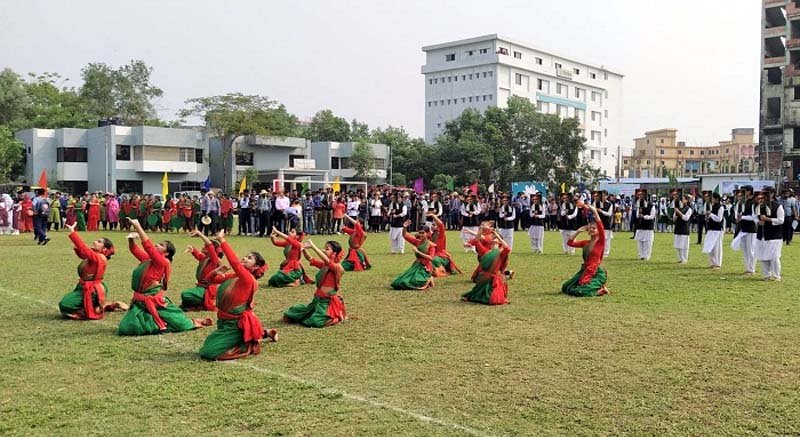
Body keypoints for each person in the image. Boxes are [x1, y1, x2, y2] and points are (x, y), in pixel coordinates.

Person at [118, 218, 210, 335]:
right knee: (126, 328)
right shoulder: (148, 258)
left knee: (180, 323)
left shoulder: (162, 261)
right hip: (140, 301)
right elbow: (134, 249)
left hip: (154, 300)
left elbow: (148, 247)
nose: (157, 245)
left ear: (166, 253)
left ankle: (182, 322)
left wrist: (138, 226)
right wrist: (131, 239)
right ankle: (153, 321)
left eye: (161, 245)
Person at [199, 230, 276, 360]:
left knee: (208, 352)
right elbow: (209, 280)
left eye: (249, 258)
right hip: (223, 322)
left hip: (235, 325)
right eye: (245, 256)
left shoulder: (248, 279)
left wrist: (222, 241)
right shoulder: (235, 276)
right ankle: (263, 332)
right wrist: (215, 272)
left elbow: (235, 263)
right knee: (208, 345)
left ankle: (249, 340)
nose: (244, 258)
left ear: (256, 266)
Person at [58, 222, 122, 319]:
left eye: (99, 242)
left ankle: (91, 308)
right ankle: (96, 306)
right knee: (66, 304)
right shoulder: (94, 255)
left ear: (104, 249)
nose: (95, 242)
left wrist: (72, 232)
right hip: (83, 287)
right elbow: (82, 254)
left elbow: (84, 250)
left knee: (64, 305)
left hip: (92, 290)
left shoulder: (100, 257)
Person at [283, 240, 347, 328]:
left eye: (327, 249)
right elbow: (310, 259)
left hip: (326, 302)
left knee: (315, 321)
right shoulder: (325, 265)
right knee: (292, 312)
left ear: (334, 253)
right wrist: (304, 249)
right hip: (317, 300)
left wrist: (312, 246)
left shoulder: (337, 268)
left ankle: (333, 318)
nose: (324, 250)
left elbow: (327, 261)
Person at [561, 204, 609, 297]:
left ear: (598, 231)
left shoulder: (600, 242)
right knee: (565, 287)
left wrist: (594, 211)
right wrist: (578, 231)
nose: (591, 229)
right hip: (585, 270)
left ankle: (601, 290)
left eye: (594, 228)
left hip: (596, 272)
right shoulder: (585, 243)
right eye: (590, 228)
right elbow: (570, 243)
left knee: (581, 292)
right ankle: (596, 288)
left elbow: (600, 226)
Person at [461, 230, 511, 305]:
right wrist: (481, 229)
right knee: (476, 295)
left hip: (494, 279)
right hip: (484, 278)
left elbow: (507, 248)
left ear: (499, 242)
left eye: (495, 238)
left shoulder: (501, 253)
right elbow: (477, 241)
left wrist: (498, 236)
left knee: (494, 300)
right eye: (493, 238)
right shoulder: (485, 251)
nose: (493, 239)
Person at [180, 230, 225, 311]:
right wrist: (192, 250)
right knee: (186, 295)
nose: (203, 247)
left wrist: (199, 233)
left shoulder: (214, 260)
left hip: (207, 289)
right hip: (200, 287)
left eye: (205, 246)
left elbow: (210, 245)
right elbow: (198, 255)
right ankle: (198, 302)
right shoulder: (206, 258)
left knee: (185, 294)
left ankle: (201, 302)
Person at [390, 220, 436, 290]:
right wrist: (404, 227)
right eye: (419, 233)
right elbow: (405, 235)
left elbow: (431, 258)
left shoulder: (431, 245)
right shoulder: (417, 242)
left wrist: (417, 252)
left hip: (425, 267)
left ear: (427, 233)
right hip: (416, 266)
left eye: (423, 233)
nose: (421, 234)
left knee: (415, 281)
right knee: (399, 282)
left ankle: (429, 278)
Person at [754, 188, 784, 281]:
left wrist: (768, 219)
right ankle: (766, 275)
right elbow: (755, 217)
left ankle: (776, 276)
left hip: (774, 235)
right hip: (762, 234)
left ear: (772, 194)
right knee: (763, 256)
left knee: (774, 257)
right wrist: (758, 222)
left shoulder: (777, 206)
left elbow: (781, 220)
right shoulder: (759, 206)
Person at [732, 186, 757, 275]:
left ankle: (751, 269)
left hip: (751, 229)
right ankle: (747, 268)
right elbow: (737, 213)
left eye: (744, 191)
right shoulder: (742, 202)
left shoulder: (754, 202)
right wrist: (738, 217)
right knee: (745, 250)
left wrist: (742, 217)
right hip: (743, 228)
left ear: (749, 192)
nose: (742, 193)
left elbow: (754, 217)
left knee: (751, 250)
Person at [429, 212, 461, 276]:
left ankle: (441, 271)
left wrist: (433, 216)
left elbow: (441, 225)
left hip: (441, 256)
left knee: (434, 260)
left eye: (434, 225)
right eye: (432, 225)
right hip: (433, 254)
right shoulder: (431, 234)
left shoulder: (441, 234)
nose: (432, 226)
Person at [702, 193, 725, 269]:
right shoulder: (712, 206)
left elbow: (719, 219)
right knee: (710, 246)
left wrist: (711, 214)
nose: (712, 200)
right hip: (711, 228)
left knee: (717, 247)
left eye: (713, 198)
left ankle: (718, 263)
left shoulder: (720, 207)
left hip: (717, 229)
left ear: (717, 199)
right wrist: (707, 217)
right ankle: (712, 262)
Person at [633, 189, 656, 261]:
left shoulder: (651, 205)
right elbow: (637, 215)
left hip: (648, 226)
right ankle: (641, 255)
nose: (640, 197)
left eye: (641, 195)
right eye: (639, 195)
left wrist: (644, 216)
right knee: (640, 242)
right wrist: (639, 214)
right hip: (640, 226)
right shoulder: (639, 205)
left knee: (648, 242)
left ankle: (646, 256)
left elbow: (652, 216)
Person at [673, 193, 693, 264]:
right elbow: (674, 219)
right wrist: (675, 215)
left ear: (687, 200)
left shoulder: (689, 209)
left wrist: (678, 212)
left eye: (683, 199)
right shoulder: (678, 208)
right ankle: (679, 258)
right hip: (677, 228)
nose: (682, 201)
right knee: (677, 245)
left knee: (683, 245)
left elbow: (686, 218)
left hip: (684, 229)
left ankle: (684, 259)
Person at [595, 191, 615, 256]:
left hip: (607, 224)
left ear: (607, 196)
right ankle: (598, 252)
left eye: (604, 195)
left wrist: (602, 211)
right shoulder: (596, 203)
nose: (603, 197)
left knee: (606, 239)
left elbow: (609, 214)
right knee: (598, 238)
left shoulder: (610, 204)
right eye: (601, 196)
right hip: (598, 223)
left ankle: (606, 253)